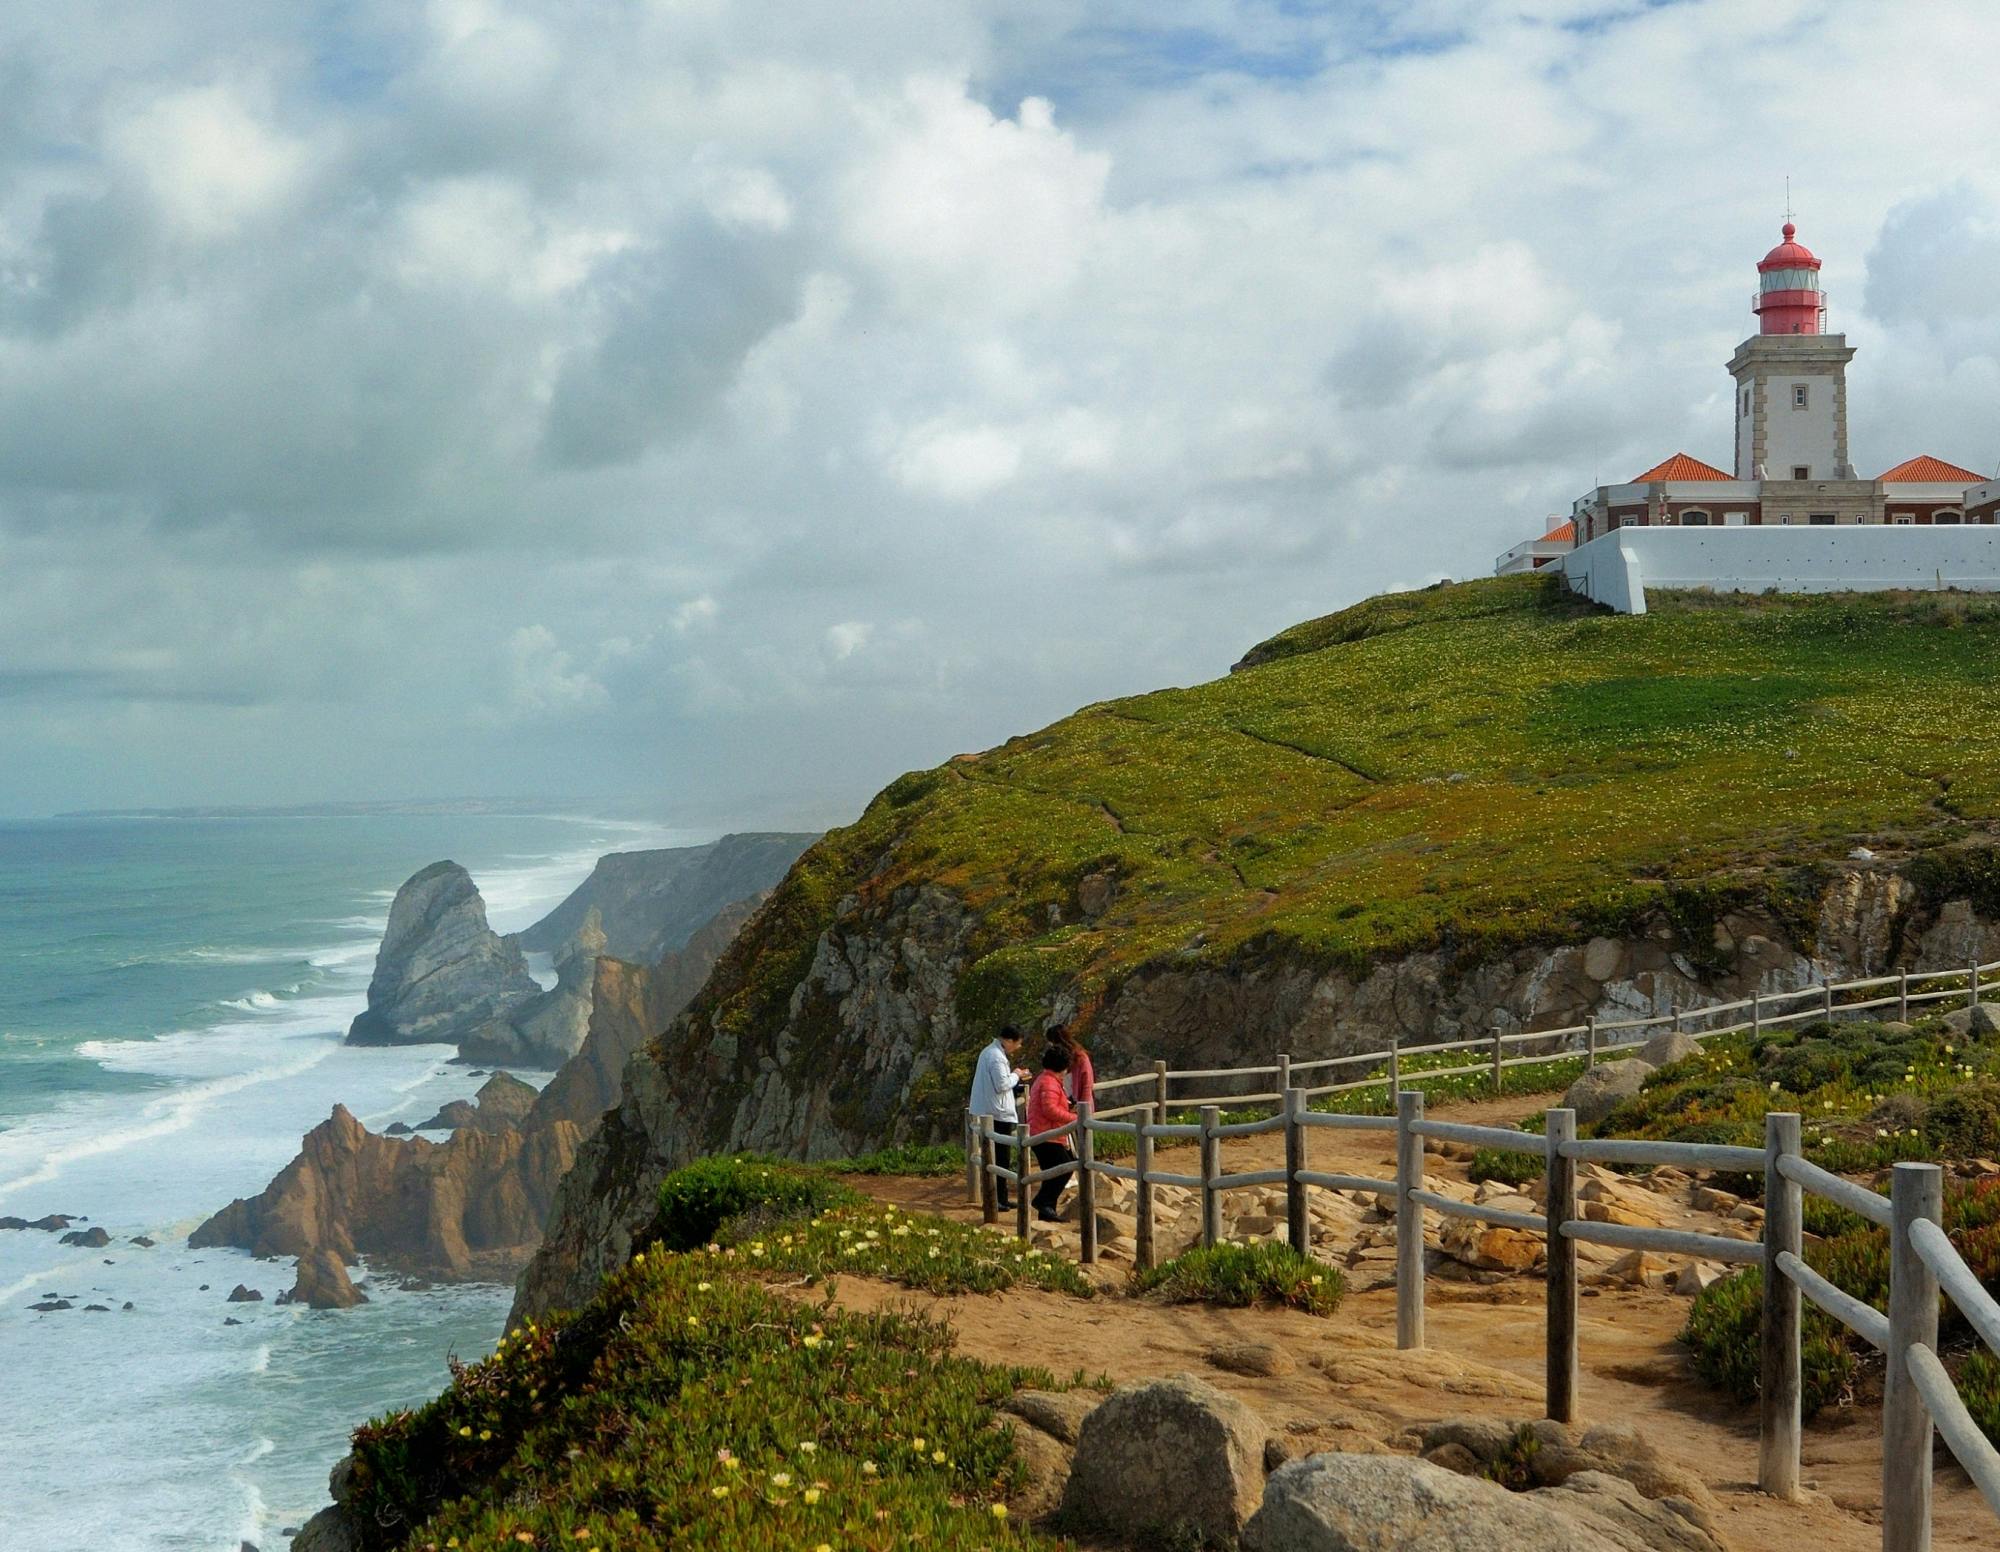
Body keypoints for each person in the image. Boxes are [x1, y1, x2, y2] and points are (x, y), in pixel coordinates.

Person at [967, 1024, 1028, 1210]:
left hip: (991, 1110)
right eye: (1017, 1044)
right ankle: (996, 1200)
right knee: (999, 1159)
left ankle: (1000, 1198)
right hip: (997, 1114)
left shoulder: (990, 1053)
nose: (1017, 1048)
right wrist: (1017, 1075)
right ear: (1008, 1040)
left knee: (999, 1159)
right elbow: (1001, 1085)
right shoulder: (996, 1057)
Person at [1026, 1045, 1077, 1222]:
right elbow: (1050, 1110)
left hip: (1046, 1133)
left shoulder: (1047, 1079)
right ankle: (1043, 1202)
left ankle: (1047, 1213)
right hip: (1046, 1135)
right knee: (1064, 1168)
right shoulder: (1049, 1082)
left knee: (1054, 1172)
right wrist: (1073, 1118)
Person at [1051, 1023, 1094, 1108]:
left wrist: (1082, 1107)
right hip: (1062, 1105)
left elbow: (1087, 1083)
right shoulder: (1057, 1057)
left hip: (1078, 1105)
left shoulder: (1080, 1058)